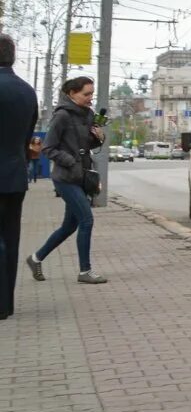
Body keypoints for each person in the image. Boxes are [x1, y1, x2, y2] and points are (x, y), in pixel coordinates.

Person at [27, 76, 107, 284]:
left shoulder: (88, 115)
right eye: (86, 94)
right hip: (65, 178)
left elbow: (86, 145)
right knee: (87, 220)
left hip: (81, 176)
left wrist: (98, 137)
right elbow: (48, 148)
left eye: (92, 93)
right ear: (72, 94)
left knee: (69, 226)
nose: (91, 98)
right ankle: (84, 271)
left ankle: (36, 258)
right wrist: (70, 161)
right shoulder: (62, 116)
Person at [0, 34, 40, 320]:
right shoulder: (26, 91)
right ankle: (6, 304)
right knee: (11, 239)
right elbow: (27, 136)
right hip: (15, 176)